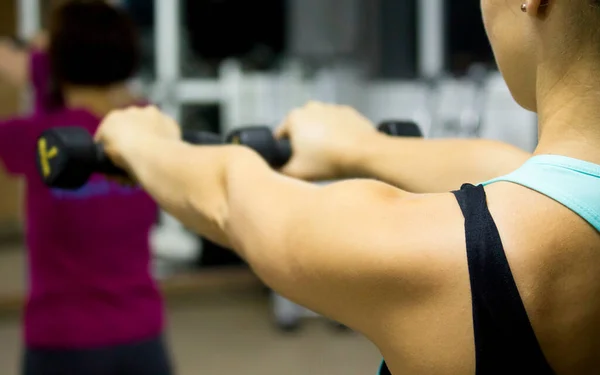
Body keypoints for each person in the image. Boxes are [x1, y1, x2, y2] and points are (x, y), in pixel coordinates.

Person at [93, 0, 598, 374]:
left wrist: (143, 142)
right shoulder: (564, 205)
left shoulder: (466, 258)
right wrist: (359, 147)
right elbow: (519, 175)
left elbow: (229, 196)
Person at [0, 2, 172, 374]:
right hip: (141, 338)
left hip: (63, 341)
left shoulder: (34, 135)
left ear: (58, 62)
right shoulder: (149, 123)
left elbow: (44, 95)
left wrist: (36, 63)